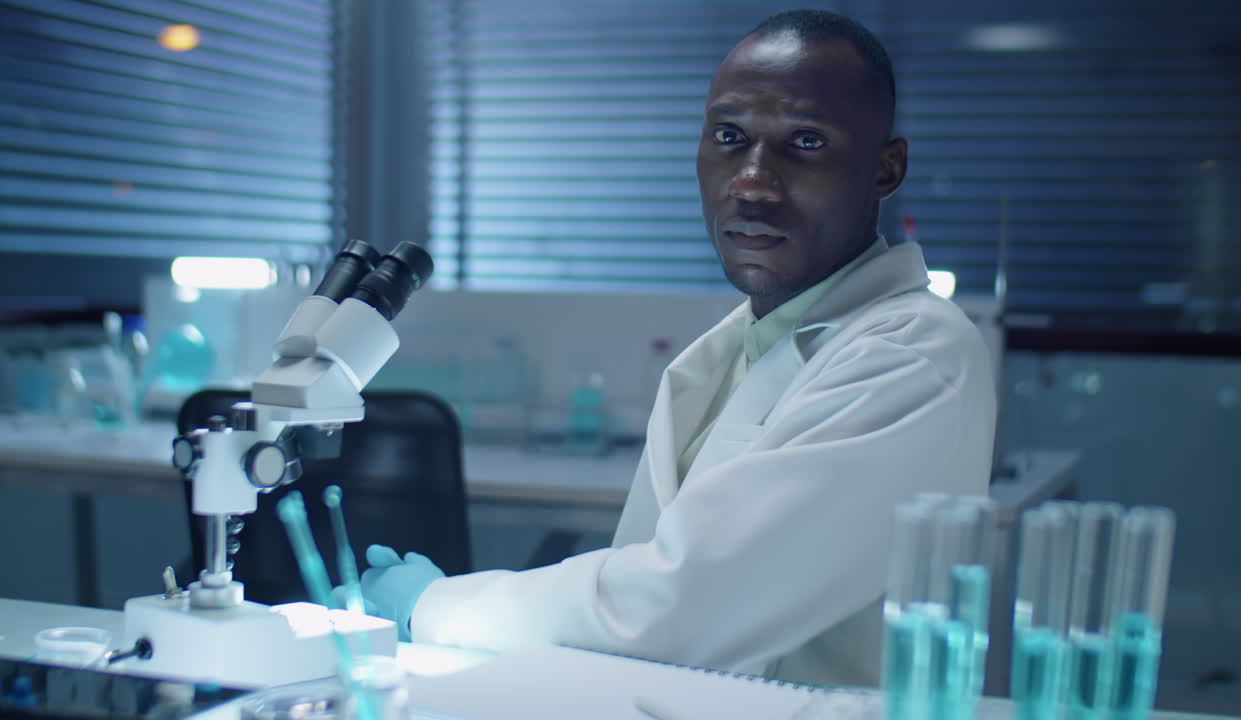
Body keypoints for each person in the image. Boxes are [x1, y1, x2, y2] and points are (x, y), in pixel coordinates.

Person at [345, 9, 996, 687]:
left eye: (805, 141)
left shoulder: (918, 353)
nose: (751, 181)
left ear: (886, 168)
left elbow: (684, 606)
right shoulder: (733, 351)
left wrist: (433, 605)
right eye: (729, 136)